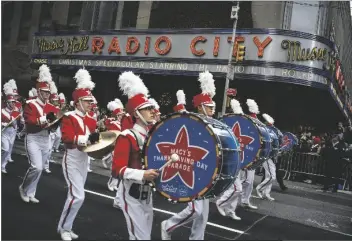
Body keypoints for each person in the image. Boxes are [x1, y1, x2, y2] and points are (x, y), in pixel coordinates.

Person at [161, 71, 216, 240]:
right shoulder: (190, 121)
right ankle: (168, 225)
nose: (212, 110)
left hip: (205, 170)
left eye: (213, 107)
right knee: (195, 210)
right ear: (200, 107)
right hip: (189, 170)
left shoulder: (211, 124)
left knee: (203, 214)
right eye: (209, 107)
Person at [112, 71, 159, 240]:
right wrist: (142, 174)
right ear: (137, 114)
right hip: (130, 193)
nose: (152, 111)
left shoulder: (152, 136)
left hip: (147, 193)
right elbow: (117, 169)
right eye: (147, 109)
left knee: (144, 236)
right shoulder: (127, 136)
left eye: (151, 108)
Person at [57, 68, 99, 241]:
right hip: (72, 159)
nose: (90, 104)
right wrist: (87, 138)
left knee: (74, 196)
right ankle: (64, 229)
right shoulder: (69, 117)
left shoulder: (90, 118)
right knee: (78, 196)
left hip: (84, 160)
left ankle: (65, 226)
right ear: (78, 102)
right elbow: (67, 138)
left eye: (90, 101)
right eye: (87, 101)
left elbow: (92, 139)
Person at [19, 64, 59, 203]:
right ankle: (23, 188)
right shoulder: (30, 104)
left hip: (45, 138)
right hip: (33, 138)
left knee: (40, 169)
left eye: (48, 92)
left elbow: (54, 126)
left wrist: (55, 124)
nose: (47, 94)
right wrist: (45, 119)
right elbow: (29, 121)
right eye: (44, 92)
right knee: (36, 167)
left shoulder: (52, 107)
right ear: (39, 91)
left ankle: (31, 192)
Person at [215, 98, 245, 220]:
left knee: (237, 188)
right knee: (237, 188)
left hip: (237, 160)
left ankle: (230, 209)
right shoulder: (223, 125)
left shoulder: (240, 127)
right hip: (228, 161)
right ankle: (221, 203)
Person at [104, 99, 124, 210]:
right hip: (114, 147)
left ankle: (114, 184)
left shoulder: (122, 124)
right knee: (115, 167)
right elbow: (111, 134)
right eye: (120, 115)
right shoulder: (113, 123)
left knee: (118, 168)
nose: (121, 116)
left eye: (122, 114)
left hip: (120, 147)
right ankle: (111, 183)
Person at [255, 113, 278, 201]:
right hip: (267, 156)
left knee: (269, 176)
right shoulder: (264, 132)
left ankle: (266, 193)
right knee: (272, 176)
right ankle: (259, 189)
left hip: (271, 157)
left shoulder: (272, 132)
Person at [1, 82, 21, 173]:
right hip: (4, 132)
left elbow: (19, 121)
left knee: (8, 148)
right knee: (5, 149)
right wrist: (3, 124)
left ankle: (3, 166)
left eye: (14, 102)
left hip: (12, 131)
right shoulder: (2, 111)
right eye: (11, 102)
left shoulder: (16, 111)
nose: (13, 103)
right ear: (7, 103)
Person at [44, 81, 61, 174]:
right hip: (47, 131)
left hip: (54, 131)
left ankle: (45, 165)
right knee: (47, 150)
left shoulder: (58, 109)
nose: (56, 102)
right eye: (54, 100)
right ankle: (44, 165)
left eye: (56, 100)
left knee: (49, 150)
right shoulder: (47, 107)